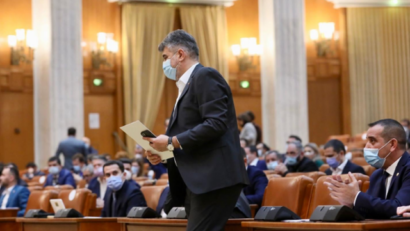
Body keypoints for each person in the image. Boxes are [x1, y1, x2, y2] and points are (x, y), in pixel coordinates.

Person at [144, 30, 248, 231]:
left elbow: (216, 124)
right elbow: (192, 137)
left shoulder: (205, 76)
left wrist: (169, 142)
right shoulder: (186, 86)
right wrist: (162, 153)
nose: (164, 63)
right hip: (198, 179)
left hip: (215, 178)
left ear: (180, 54)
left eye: (166, 57)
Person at [325, 119, 410, 219]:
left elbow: (400, 208)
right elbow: (372, 211)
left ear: (392, 145)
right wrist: (350, 204)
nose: (366, 147)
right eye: (367, 141)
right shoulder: (377, 174)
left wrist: (356, 196)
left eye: (372, 141)